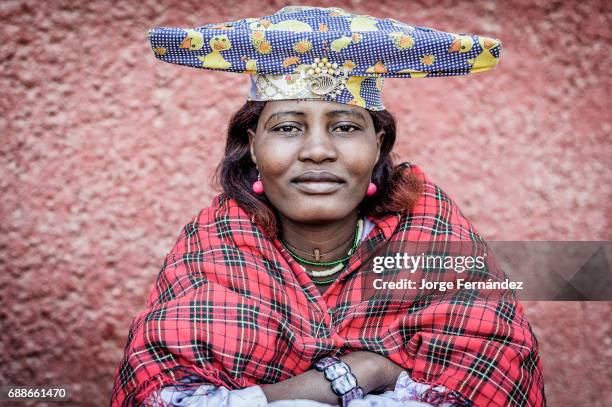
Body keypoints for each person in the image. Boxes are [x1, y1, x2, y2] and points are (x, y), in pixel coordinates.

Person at [111, 6, 545, 407]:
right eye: (286, 127)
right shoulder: (212, 250)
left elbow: (493, 386)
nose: (317, 150)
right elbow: (160, 394)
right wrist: (362, 372)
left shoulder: (438, 246)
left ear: (378, 146)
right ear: (254, 148)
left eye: (343, 126)